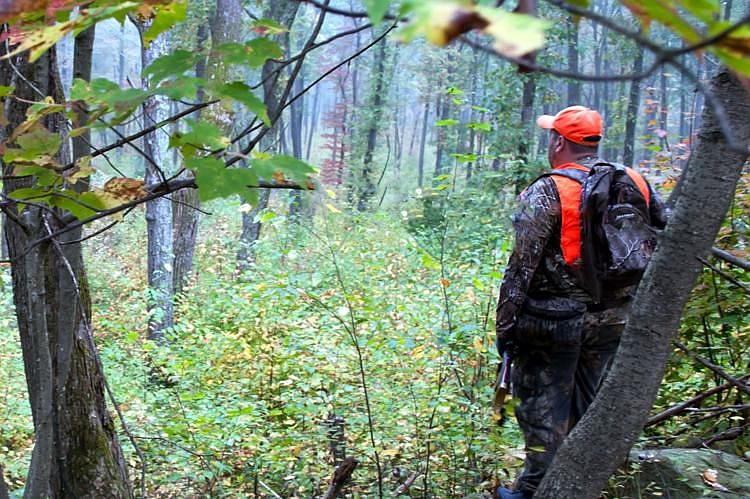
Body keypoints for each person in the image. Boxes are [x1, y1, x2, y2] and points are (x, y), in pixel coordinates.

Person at [494, 106, 669, 499]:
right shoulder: (636, 182)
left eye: (550, 137)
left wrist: (504, 328)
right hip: (613, 320)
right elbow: (664, 237)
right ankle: (577, 485)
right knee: (585, 407)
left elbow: (520, 268)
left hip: (551, 323)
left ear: (558, 141)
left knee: (542, 406)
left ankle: (534, 491)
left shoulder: (546, 190)